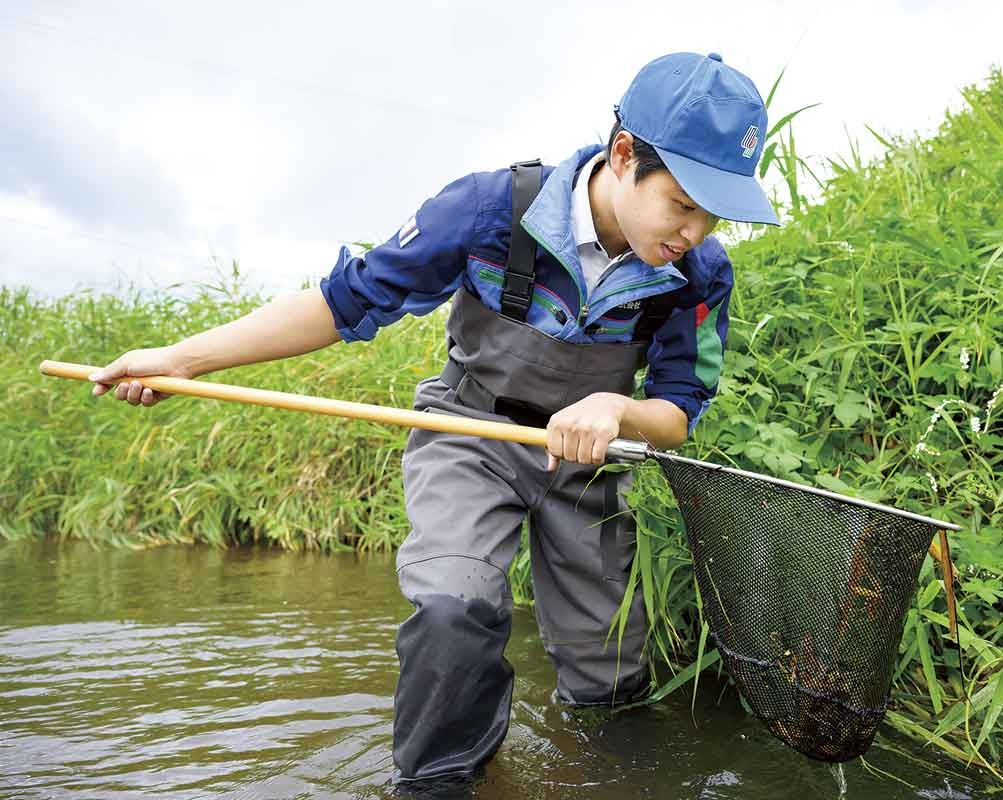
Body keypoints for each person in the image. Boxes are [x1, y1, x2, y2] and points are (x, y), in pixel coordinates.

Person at [88, 51, 780, 787]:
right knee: (456, 610)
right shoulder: (490, 209)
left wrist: (616, 406)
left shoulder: (699, 274)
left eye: (713, 213)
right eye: (682, 203)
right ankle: (437, 783)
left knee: (610, 676)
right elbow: (342, 303)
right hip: (471, 437)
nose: (696, 231)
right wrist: (184, 358)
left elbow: (676, 412)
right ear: (622, 155)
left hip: (587, 462)